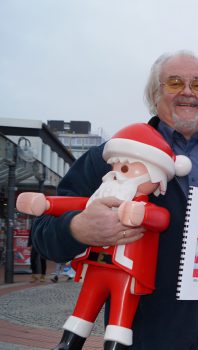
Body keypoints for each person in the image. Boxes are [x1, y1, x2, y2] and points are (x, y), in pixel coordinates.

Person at [30, 50, 198, 350]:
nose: (188, 92)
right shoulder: (116, 154)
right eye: (175, 82)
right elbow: (43, 231)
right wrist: (77, 229)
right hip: (146, 337)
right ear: (154, 95)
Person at [17, 123, 186, 349]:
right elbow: (76, 204)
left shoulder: (141, 203)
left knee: (121, 311)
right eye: (116, 165)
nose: (116, 172)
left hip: (127, 270)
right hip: (97, 265)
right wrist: (47, 204)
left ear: (155, 176)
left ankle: (115, 345)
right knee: (84, 305)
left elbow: (160, 218)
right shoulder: (101, 192)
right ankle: (68, 343)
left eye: (125, 168)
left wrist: (140, 213)